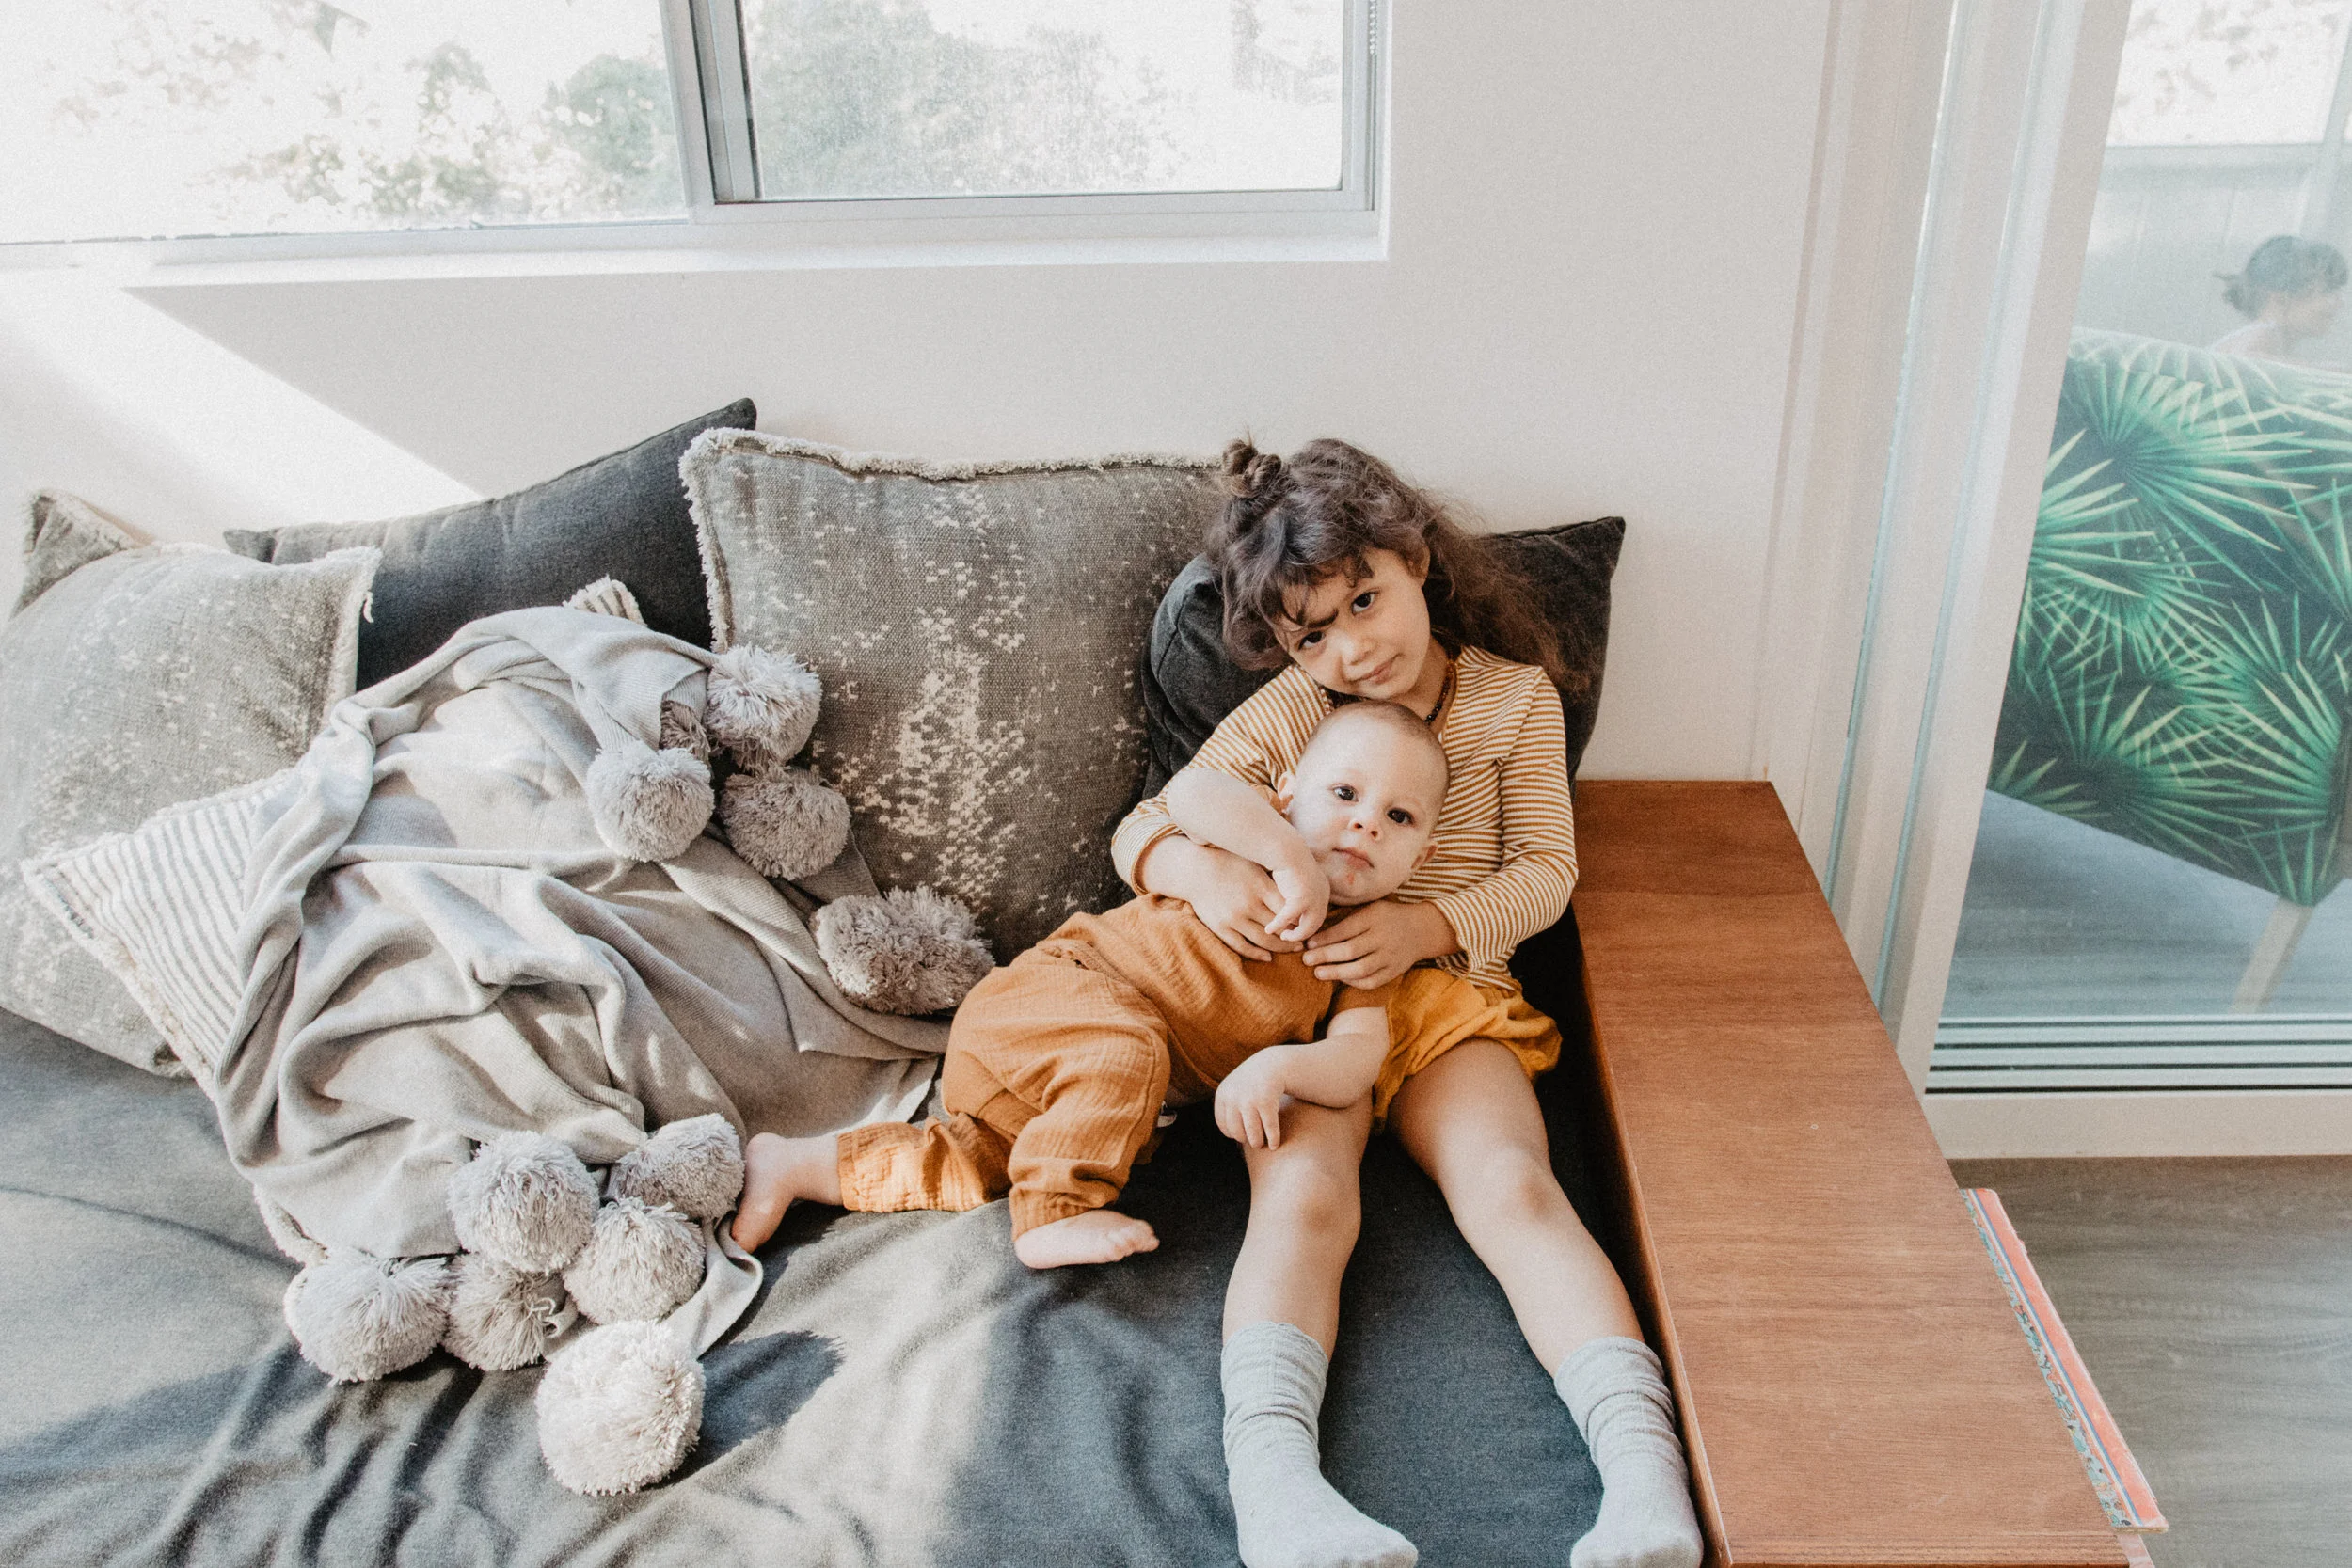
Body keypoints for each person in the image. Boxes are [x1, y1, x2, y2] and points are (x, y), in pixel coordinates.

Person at [1117, 439, 1702, 1568]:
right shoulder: (1300, 709)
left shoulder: (1512, 701)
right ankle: (1278, 1493)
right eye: (1312, 634)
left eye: (1363, 601)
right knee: (1302, 1200)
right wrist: (1207, 871)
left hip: (1448, 1002)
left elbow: (1545, 871)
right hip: (1303, 1009)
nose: (1351, 648)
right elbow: (1153, 820)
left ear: (1416, 559)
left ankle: (1645, 1478)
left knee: (1513, 1186)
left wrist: (1424, 928)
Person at [727, 698, 1448, 1272]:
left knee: (973, 1162)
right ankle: (1056, 1212)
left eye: (1399, 816)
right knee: (1123, 1049)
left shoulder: (1363, 949)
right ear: (1287, 794)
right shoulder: (1255, 836)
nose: (1365, 823)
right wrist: (1285, 854)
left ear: (1421, 857)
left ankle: (795, 1166)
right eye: (1344, 792)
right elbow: (1192, 793)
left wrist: (1281, 1068)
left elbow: (1357, 1057)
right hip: (1055, 998)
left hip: (1070, 1095)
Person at [2211, 234, 2347, 365]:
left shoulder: (2269, 338)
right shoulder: (2264, 334)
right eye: (2327, 291)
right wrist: (2332, 372)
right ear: (2280, 299)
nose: (2340, 303)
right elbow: (2246, 361)